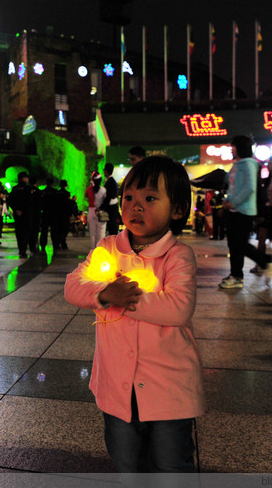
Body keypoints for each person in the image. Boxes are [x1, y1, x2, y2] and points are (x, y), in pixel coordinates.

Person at [64, 156, 204, 473]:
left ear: (178, 210)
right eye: (129, 198)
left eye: (150, 198)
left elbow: (179, 307)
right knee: (126, 459)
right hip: (117, 386)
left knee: (171, 462)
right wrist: (102, 294)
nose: (135, 207)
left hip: (168, 387)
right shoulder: (108, 247)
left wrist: (125, 298)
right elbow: (73, 285)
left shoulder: (177, 255)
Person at [219, 135, 272, 289]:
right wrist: (226, 203)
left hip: (244, 211)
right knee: (233, 245)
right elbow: (233, 187)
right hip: (233, 210)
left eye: (233, 147)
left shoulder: (249, 164)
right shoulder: (237, 164)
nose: (231, 150)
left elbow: (249, 188)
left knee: (240, 244)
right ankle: (236, 275)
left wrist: (232, 203)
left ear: (240, 147)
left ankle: (265, 261)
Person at [250, 156, 272, 274]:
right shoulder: (267, 179)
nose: (269, 165)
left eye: (271, 163)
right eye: (268, 163)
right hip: (267, 210)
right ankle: (260, 263)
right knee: (261, 237)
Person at [7, 172, 33, 258]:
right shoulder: (28, 188)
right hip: (26, 213)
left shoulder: (15, 189)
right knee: (26, 231)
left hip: (17, 214)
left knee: (19, 232)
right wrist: (23, 210)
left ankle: (20, 249)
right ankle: (24, 249)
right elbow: (29, 201)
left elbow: (9, 200)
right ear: (23, 178)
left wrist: (16, 209)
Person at [85, 172, 107, 250]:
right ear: (101, 180)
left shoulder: (89, 189)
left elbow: (86, 196)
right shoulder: (104, 190)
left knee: (92, 232)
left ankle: (92, 250)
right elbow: (106, 201)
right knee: (101, 232)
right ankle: (100, 249)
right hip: (102, 211)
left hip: (91, 210)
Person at [39, 178, 60, 253]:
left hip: (45, 213)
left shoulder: (43, 192)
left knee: (44, 231)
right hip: (53, 214)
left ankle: (43, 245)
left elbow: (40, 203)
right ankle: (55, 245)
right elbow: (58, 204)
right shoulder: (55, 192)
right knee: (54, 231)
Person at [102, 162, 120, 236]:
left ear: (105, 171)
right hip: (112, 207)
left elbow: (109, 196)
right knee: (112, 227)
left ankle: (114, 245)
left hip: (111, 208)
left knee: (112, 228)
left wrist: (102, 207)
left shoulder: (110, 182)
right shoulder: (112, 181)